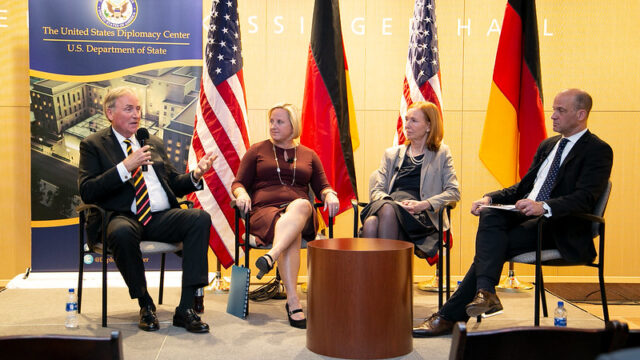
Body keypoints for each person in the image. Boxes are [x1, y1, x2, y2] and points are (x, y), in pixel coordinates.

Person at [413, 88, 613, 337]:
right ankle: (484, 294)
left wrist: (544, 206)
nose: (553, 116)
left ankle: (451, 315)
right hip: (527, 219)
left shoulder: (597, 150)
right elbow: (522, 188)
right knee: (491, 214)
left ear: (581, 114)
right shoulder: (548, 145)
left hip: (559, 225)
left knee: (495, 247)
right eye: (553, 109)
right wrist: (490, 198)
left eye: (560, 110)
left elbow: (585, 198)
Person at [78, 87, 216, 333]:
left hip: (159, 217)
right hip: (122, 217)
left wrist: (195, 175)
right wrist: (124, 167)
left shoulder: (152, 141)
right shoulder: (93, 145)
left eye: (138, 108)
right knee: (120, 232)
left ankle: (185, 308)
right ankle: (145, 304)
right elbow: (88, 190)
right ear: (110, 113)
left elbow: (173, 182)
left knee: (199, 218)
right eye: (128, 109)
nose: (136, 115)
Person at [232, 103, 340, 329]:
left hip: (299, 212)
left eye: (280, 122)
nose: (273, 126)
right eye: (271, 121)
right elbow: (239, 182)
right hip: (264, 213)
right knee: (291, 231)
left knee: (301, 205)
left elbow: (323, 186)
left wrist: (330, 195)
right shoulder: (257, 151)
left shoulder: (308, 154)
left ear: (293, 126)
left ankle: (271, 255)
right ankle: (293, 302)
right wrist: (241, 193)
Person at [360, 101, 460, 260]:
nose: (407, 125)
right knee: (387, 209)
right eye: (406, 119)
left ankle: (376, 282)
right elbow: (376, 191)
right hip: (391, 206)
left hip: (419, 217)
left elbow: (453, 192)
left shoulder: (441, 154)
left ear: (428, 126)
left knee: (371, 223)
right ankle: (387, 281)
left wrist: (424, 204)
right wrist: (393, 204)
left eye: (414, 120)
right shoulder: (391, 154)